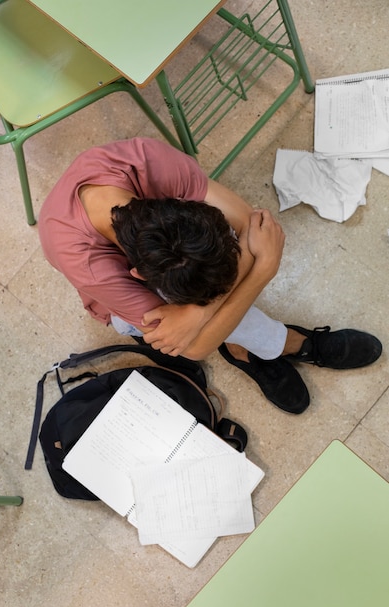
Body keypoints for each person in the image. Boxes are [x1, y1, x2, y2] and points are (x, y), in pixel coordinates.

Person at [39, 137, 382, 414]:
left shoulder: (146, 160)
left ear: (186, 207)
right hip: (124, 307)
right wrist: (261, 270)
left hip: (174, 280)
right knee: (218, 309)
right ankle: (292, 343)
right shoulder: (85, 261)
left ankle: (243, 347)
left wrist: (200, 312)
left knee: (219, 296)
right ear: (139, 275)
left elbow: (252, 225)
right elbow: (194, 348)